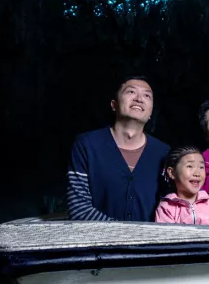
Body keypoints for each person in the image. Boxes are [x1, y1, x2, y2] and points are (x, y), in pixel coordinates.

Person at [66, 75, 170, 221]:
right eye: (131, 92)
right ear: (114, 105)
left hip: (150, 243)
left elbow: (171, 208)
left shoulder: (164, 153)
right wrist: (126, 236)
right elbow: (79, 210)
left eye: (147, 95)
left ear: (151, 113)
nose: (139, 99)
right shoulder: (87, 145)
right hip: (96, 242)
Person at [154, 146, 209, 225]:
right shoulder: (166, 207)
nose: (197, 173)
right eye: (190, 166)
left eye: (201, 167)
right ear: (172, 173)